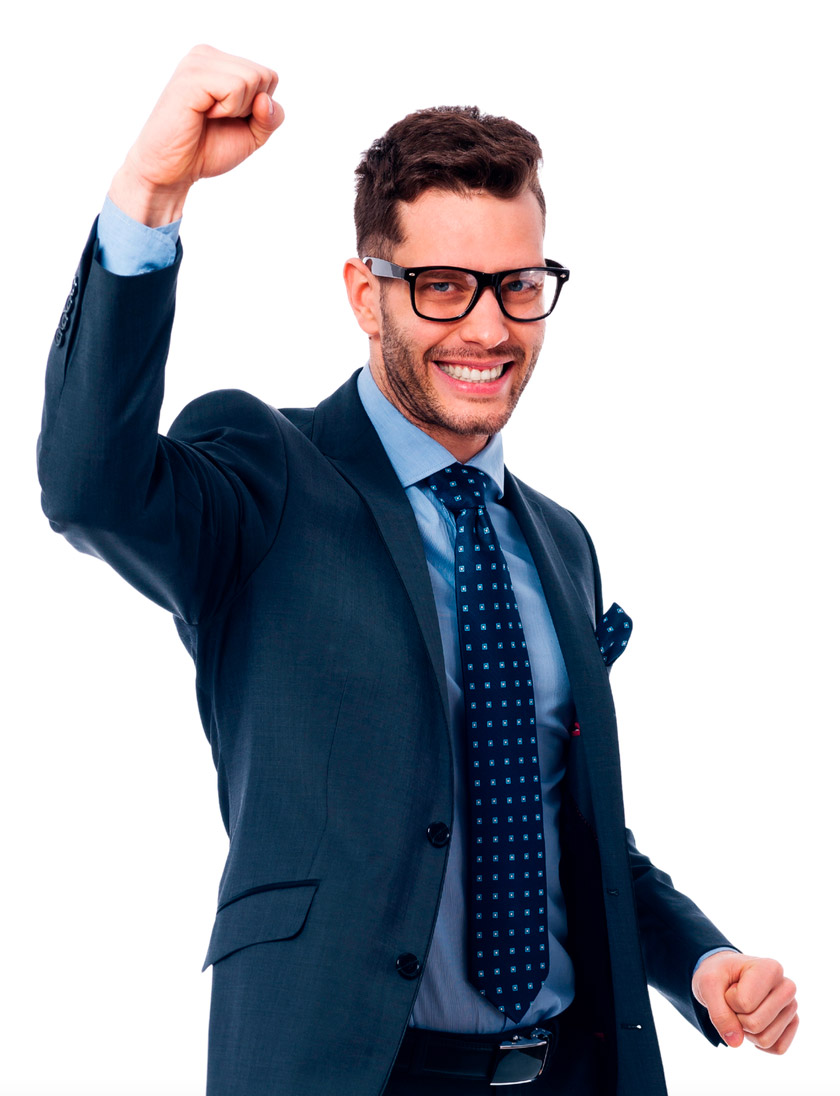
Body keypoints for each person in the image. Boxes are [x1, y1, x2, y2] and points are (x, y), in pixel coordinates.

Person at [37, 44, 798, 1096]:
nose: (488, 327)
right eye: (442, 287)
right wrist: (149, 196)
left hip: (570, 1071)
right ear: (367, 293)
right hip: (348, 1072)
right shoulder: (267, 474)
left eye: (518, 286)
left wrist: (703, 962)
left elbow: (569, 836)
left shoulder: (562, 542)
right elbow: (89, 488)